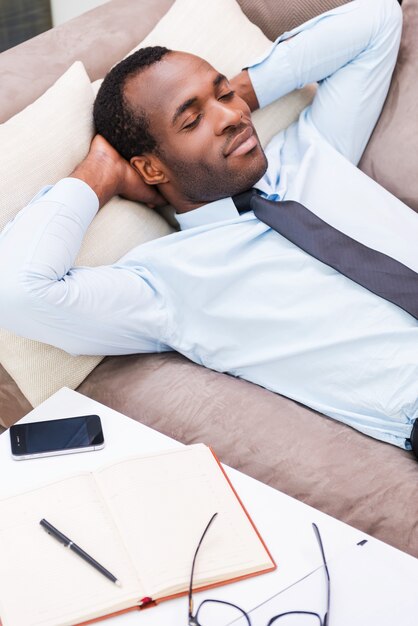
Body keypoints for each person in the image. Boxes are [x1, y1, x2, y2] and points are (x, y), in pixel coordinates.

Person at [1, 0, 417, 453]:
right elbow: (20, 292)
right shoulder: (168, 285)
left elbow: (377, 18)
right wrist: (97, 175)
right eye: (192, 119)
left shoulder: (314, 149)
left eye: (223, 95)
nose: (232, 117)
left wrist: (241, 93)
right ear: (150, 168)